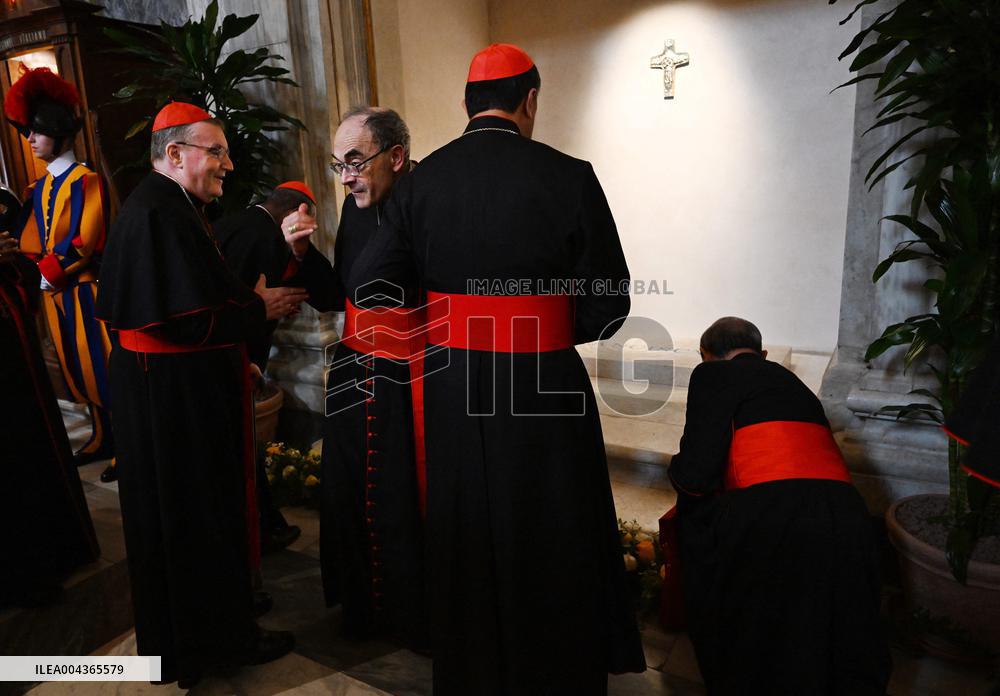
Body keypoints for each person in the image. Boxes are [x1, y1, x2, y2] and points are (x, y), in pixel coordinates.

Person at [348, 46, 645, 693]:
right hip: (544, 384)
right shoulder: (571, 176)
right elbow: (610, 303)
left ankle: (476, 669)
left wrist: (447, 321)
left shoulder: (421, 182)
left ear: (466, 104)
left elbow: (369, 283)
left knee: (467, 525)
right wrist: (539, 325)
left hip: (453, 383)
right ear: (530, 100)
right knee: (552, 525)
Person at [94, 102, 305, 686]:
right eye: (216, 152)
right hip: (174, 398)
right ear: (174, 153)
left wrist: (245, 317)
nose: (228, 165)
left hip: (167, 390)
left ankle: (216, 624)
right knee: (195, 516)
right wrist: (257, 309)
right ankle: (217, 641)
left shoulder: (168, 206)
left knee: (187, 517)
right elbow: (188, 320)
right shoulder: (161, 213)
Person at [668, 317, 891, 694]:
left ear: (705, 355)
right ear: (763, 353)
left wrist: (679, 477)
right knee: (830, 629)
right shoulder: (796, 384)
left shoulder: (711, 374)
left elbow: (697, 472)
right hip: (847, 514)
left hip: (772, 513)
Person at [281, 106, 428, 644]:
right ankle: (364, 606)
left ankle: (412, 613)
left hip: (408, 375)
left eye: (355, 162)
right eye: (338, 164)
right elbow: (342, 293)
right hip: (353, 368)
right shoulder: (355, 205)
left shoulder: (425, 201)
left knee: (400, 495)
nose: (345, 177)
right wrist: (301, 254)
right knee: (351, 489)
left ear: (396, 156)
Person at [3, 67, 115, 480]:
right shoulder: (40, 186)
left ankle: (124, 442)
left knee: (101, 365)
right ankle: (102, 436)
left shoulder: (87, 180)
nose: (29, 139)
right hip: (54, 292)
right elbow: (32, 238)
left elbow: (83, 241)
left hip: (83, 289)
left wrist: (47, 273)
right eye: (27, 132)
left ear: (57, 130)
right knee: (75, 367)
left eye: (36, 131)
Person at [0, 190, 99, 608]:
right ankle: (25, 574)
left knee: (31, 448)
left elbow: (24, 269)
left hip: (15, 357)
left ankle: (56, 552)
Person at [214, 181, 320, 553]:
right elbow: (247, 300)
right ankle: (263, 528)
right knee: (242, 449)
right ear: (297, 211)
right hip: (237, 353)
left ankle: (263, 525)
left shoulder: (233, 222)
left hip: (220, 351)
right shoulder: (266, 237)